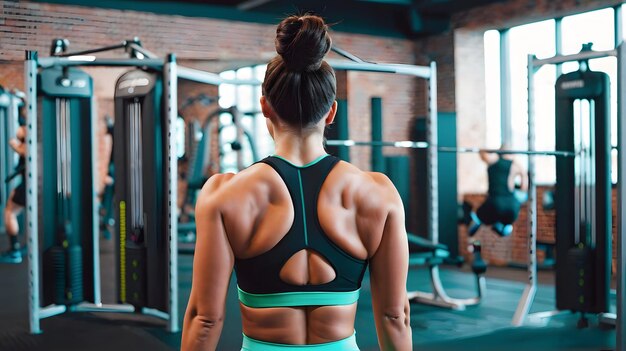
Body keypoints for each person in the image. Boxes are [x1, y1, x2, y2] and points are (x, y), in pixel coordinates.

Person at [181, 14, 412, 351]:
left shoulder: (224, 194)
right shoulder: (377, 193)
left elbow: (205, 319)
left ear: (265, 107)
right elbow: (395, 317)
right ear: (331, 112)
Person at [468, 147, 528, 237]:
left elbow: (481, 151)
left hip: (495, 203)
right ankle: (504, 227)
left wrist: (494, 150)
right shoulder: (515, 165)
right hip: (512, 207)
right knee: (507, 217)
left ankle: (478, 222)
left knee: (477, 213)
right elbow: (524, 186)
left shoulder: (493, 160)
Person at [1, 116, 27, 264]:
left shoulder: (29, 141)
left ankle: (15, 251)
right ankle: (16, 249)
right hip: (26, 182)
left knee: (9, 211)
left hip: (28, 185)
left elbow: (28, 152)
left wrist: (14, 145)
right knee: (11, 210)